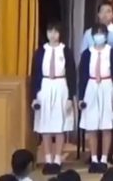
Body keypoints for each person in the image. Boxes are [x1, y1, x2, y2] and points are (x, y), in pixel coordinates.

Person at [80, 1, 113, 165]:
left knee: (109, 122)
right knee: (93, 121)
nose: (105, 15)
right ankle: (94, 155)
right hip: (92, 83)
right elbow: (83, 61)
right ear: (97, 14)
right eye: (102, 11)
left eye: (108, 11)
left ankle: (110, 153)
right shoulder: (88, 34)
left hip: (110, 83)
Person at [30, 21, 76, 175]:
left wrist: (70, 97)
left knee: (59, 125)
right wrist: (34, 96)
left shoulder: (66, 51)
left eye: (56, 32)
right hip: (45, 86)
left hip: (61, 85)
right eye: (50, 31)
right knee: (45, 126)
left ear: (60, 34)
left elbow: (71, 74)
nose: (53, 35)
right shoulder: (40, 52)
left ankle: (57, 160)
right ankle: (48, 159)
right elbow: (35, 74)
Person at [78, 24, 113, 174]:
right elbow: (83, 76)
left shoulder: (112, 53)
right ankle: (94, 158)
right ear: (92, 36)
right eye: (96, 33)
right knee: (91, 126)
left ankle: (104, 158)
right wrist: (80, 97)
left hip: (106, 86)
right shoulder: (87, 53)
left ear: (106, 36)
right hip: (91, 87)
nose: (99, 36)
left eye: (102, 33)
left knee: (106, 125)